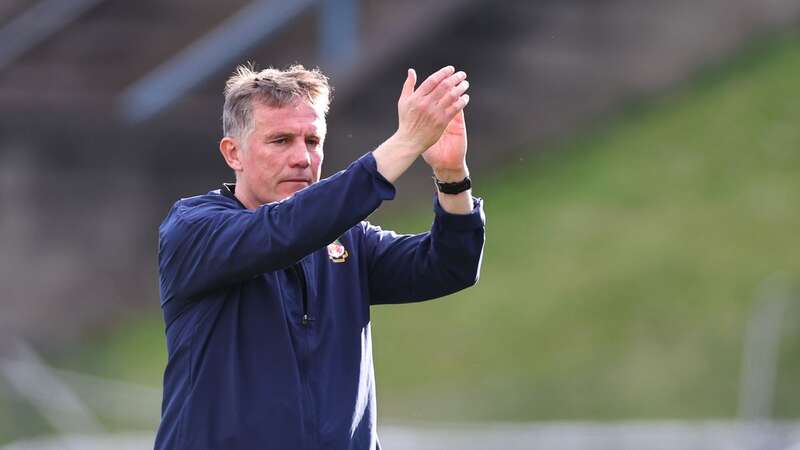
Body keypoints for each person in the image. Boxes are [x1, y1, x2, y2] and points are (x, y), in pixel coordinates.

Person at [154, 63, 485, 450]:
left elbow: (450, 266)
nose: (302, 158)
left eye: (312, 141)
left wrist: (451, 175)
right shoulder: (193, 228)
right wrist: (405, 142)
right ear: (234, 153)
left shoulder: (345, 239)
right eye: (280, 141)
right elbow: (285, 230)